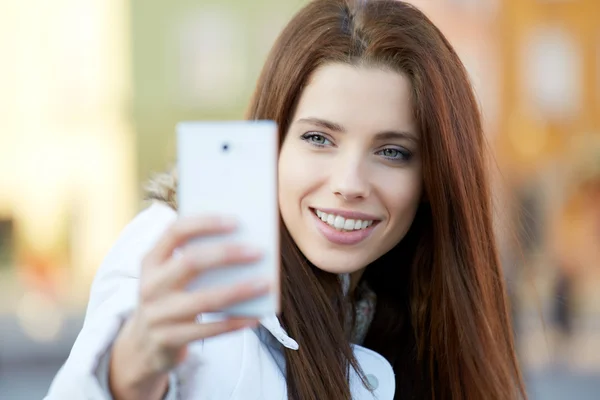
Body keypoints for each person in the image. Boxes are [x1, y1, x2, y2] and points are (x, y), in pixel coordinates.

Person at [45, 0, 526, 399]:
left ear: (432, 179)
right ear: (271, 143)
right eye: (319, 139)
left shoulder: (405, 302)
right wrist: (129, 370)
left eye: (392, 151)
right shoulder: (181, 250)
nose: (350, 182)